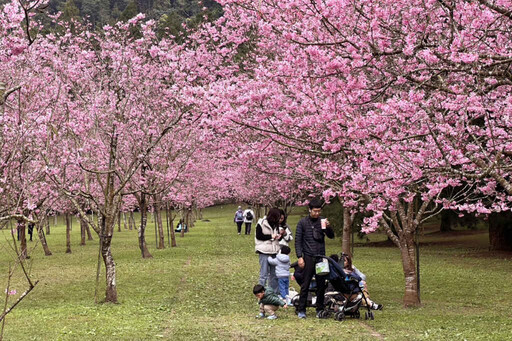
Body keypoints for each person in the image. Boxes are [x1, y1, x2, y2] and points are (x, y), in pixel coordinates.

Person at [294, 198, 334, 319]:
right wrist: (300, 257)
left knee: (321, 285)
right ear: (310, 210)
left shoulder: (322, 221)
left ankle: (320, 308)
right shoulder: (302, 223)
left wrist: (328, 227)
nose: (317, 213)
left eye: (319, 211)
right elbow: (298, 241)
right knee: (305, 284)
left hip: (321, 257)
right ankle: (301, 309)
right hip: (308, 257)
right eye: (315, 211)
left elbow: (331, 236)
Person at [255, 208, 281, 292]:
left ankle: (273, 292)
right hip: (264, 251)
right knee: (264, 274)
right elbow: (259, 236)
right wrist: (271, 236)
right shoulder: (261, 223)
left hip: (274, 251)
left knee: (274, 274)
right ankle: (261, 293)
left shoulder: (276, 224)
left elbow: (275, 237)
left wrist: (279, 236)